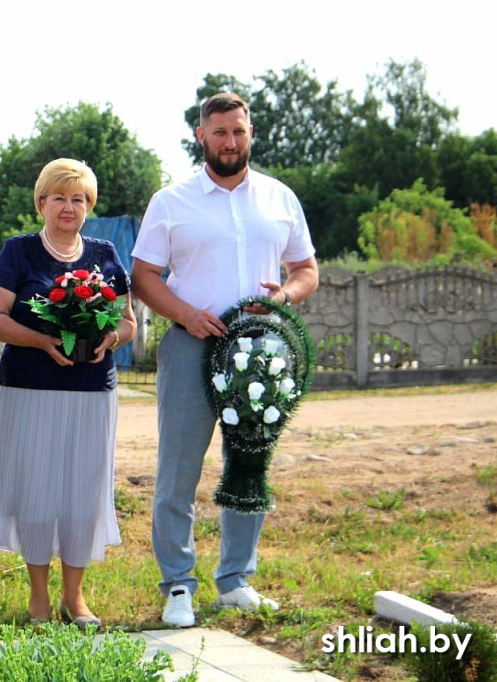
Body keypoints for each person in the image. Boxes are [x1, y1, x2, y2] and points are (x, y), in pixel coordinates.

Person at [130, 93, 319, 628]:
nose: (230, 142)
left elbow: (306, 269)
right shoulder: (171, 200)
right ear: (201, 135)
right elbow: (143, 277)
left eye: (238, 132)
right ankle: (178, 587)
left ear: (250, 132)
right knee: (178, 472)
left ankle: (236, 580)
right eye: (219, 133)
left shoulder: (280, 198)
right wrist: (186, 315)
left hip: (261, 353)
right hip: (193, 346)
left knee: (249, 466)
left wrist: (282, 296)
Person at [0, 158, 137, 628]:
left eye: (79, 199)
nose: (69, 207)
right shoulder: (19, 252)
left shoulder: (106, 254)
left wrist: (112, 338)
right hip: (30, 389)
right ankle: (39, 598)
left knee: (82, 493)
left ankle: (76, 597)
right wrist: (41, 339)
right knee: (37, 492)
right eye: (59, 197)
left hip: (92, 390)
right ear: (42, 202)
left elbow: (127, 321)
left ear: (88, 206)